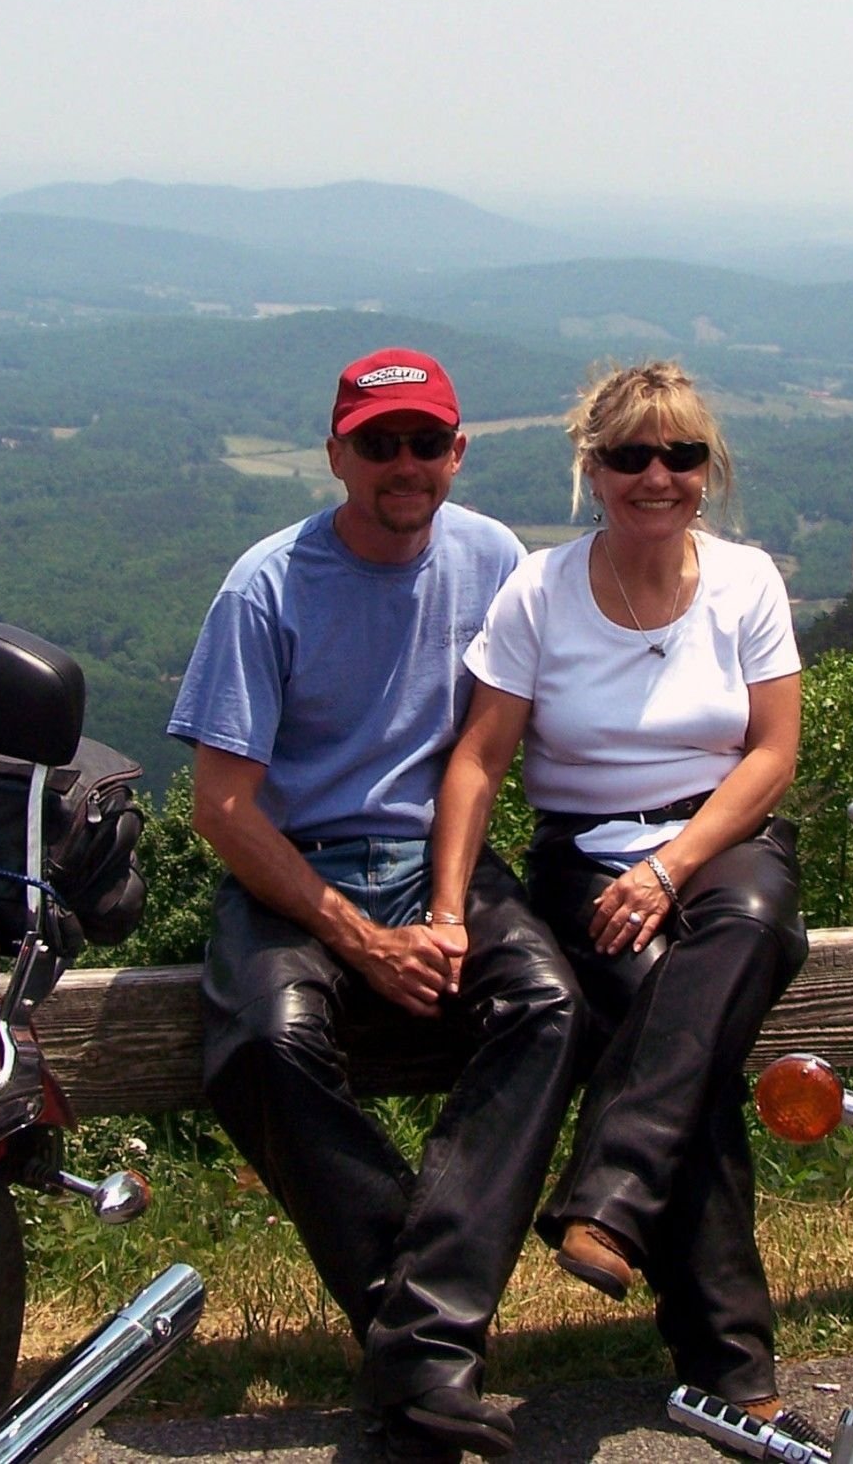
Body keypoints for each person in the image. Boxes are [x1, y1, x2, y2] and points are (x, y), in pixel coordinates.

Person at [170, 347, 582, 1462]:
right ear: (337, 453)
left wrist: (444, 916)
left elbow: (489, 751)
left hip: (435, 861)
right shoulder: (267, 584)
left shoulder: (493, 556)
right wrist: (358, 939)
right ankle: (433, 1344)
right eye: (379, 444)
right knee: (265, 1040)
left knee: (545, 1005)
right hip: (295, 866)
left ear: (459, 450)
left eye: (426, 443)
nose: (404, 466)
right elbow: (221, 806)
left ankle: (413, 1348)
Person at [427, 359, 813, 1440]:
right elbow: (478, 760)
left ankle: (608, 1200)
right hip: (582, 852)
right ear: (592, 469)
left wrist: (673, 866)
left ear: (708, 469)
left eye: (682, 454)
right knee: (671, 1027)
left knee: (729, 936)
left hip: (721, 840)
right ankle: (732, 1372)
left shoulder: (747, 582)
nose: (658, 475)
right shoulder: (538, 594)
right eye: (632, 455)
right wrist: (450, 906)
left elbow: (772, 755)